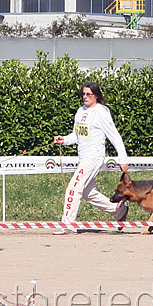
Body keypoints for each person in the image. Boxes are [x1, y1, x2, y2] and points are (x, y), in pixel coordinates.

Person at [52, 81, 129, 234]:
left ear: (96, 96)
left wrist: (123, 158)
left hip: (94, 158)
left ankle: (67, 225)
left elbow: (114, 136)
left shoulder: (101, 112)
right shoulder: (81, 111)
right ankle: (118, 211)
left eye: (89, 94)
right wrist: (64, 140)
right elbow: (77, 135)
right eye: (83, 94)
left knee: (73, 189)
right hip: (83, 157)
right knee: (88, 193)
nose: (85, 97)